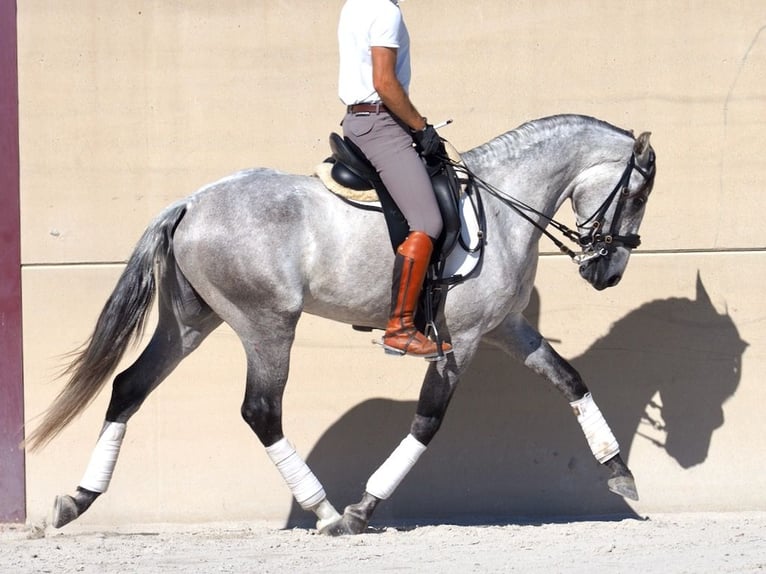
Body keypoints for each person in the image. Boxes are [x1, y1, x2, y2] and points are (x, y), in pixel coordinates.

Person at [338, 0, 452, 359]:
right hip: (381, 124)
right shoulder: (386, 11)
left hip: (360, 119)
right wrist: (422, 127)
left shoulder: (354, 4)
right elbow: (384, 82)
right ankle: (400, 327)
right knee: (427, 221)